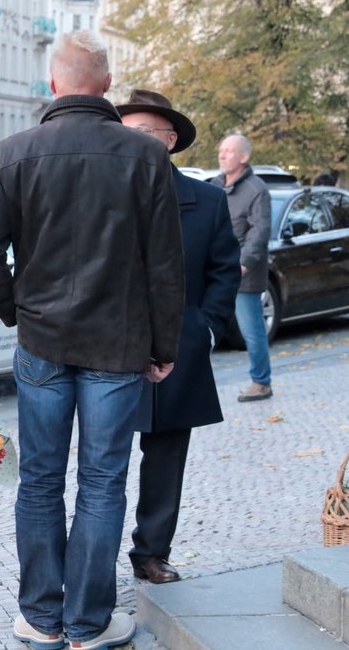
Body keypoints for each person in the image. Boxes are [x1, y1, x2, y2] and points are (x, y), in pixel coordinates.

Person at [0, 31, 185, 650]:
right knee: (103, 482)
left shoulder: (13, 153)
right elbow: (166, 266)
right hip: (117, 347)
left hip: (42, 342)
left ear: (54, 84)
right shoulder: (145, 157)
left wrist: (18, 309)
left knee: (38, 480)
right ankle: (88, 624)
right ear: (107, 85)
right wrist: (163, 345)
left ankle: (40, 616)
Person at [115, 90, 241, 585]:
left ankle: (151, 552)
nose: (132, 142)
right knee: (101, 459)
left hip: (178, 347)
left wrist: (204, 328)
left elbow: (225, 271)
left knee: (166, 455)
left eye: (143, 133)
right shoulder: (101, 195)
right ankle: (90, 557)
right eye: (124, 132)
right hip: (109, 346)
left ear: (169, 141)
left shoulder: (206, 200)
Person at [211, 135, 273, 402]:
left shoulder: (256, 189)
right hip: (214, 270)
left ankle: (261, 383)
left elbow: (260, 232)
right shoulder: (213, 185)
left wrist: (243, 264)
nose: (222, 155)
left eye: (229, 151)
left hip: (242, 274)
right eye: (221, 150)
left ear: (244, 157)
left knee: (252, 330)